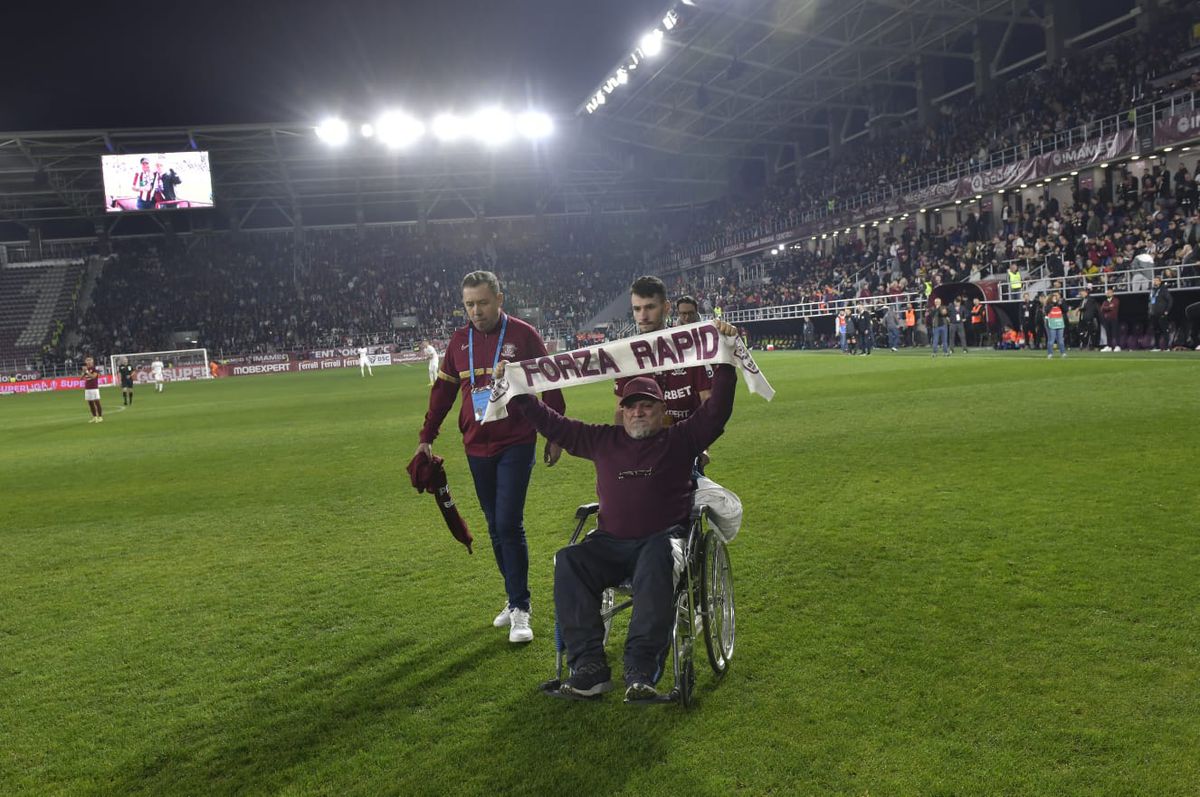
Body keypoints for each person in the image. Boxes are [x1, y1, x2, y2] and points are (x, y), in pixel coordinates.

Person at [496, 319, 740, 701]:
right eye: (631, 406)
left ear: (662, 412)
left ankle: (641, 670)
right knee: (570, 560)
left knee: (657, 557)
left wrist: (725, 361)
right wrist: (519, 392)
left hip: (661, 541)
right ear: (621, 411)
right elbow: (553, 424)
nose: (638, 412)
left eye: (647, 406)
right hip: (611, 542)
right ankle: (589, 667)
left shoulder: (680, 438)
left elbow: (717, 411)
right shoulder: (601, 440)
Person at [416, 270, 565, 643]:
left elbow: (550, 382)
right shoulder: (458, 341)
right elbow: (442, 395)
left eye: (483, 302)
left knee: (508, 521)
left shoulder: (523, 335)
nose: (476, 311)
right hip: (474, 444)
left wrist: (555, 433)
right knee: (493, 523)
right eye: (469, 304)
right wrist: (426, 437)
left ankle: (521, 607)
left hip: (516, 440)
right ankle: (513, 597)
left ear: (500, 299)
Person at [615, 277, 714, 471]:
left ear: (666, 307)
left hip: (685, 451)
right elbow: (620, 411)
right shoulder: (627, 354)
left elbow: (708, 402)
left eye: (650, 307)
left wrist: (704, 447)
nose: (642, 315)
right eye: (637, 309)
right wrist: (622, 450)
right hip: (642, 452)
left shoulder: (690, 348)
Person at [1148, 276, 1173, 351]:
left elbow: (1170, 300)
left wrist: (1167, 311)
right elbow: (1150, 301)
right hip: (1153, 314)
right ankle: (1157, 346)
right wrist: (1149, 311)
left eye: (1156, 280)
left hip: (1161, 313)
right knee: (1156, 330)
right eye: (1154, 280)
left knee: (1164, 330)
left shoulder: (1163, 289)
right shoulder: (1152, 290)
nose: (1155, 282)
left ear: (1160, 281)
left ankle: (1167, 347)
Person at [1045, 291, 1067, 358]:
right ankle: (1050, 353)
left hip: (1059, 322)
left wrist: (1061, 304)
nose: (1055, 299)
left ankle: (1063, 353)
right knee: (1051, 339)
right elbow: (1046, 311)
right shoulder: (1048, 304)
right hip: (1052, 323)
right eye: (1053, 298)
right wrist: (1052, 304)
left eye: (1056, 298)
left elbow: (1065, 310)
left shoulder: (1060, 304)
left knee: (1060, 339)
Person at [82, 356, 103, 423]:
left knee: (97, 402)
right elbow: (81, 378)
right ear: (85, 362)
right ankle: (94, 417)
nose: (88, 361)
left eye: (90, 360)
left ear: (92, 361)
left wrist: (87, 371)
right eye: (87, 360)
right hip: (87, 388)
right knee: (90, 403)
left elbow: (93, 376)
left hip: (94, 388)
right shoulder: (86, 369)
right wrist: (83, 372)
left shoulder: (95, 368)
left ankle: (100, 417)